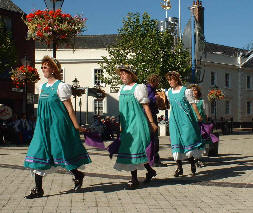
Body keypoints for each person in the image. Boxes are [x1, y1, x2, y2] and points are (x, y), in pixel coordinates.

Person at [24, 56, 91, 199]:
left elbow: (70, 109)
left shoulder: (61, 86)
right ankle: (38, 189)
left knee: (60, 152)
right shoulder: (42, 86)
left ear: (54, 69)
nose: (43, 70)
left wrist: (76, 126)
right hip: (43, 125)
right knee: (38, 152)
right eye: (42, 67)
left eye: (45, 67)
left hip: (58, 125)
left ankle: (78, 174)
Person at [114, 65, 158, 189]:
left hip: (138, 122)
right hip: (127, 125)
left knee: (135, 149)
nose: (122, 76)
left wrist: (152, 123)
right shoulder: (121, 89)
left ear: (131, 75)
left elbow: (146, 107)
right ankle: (150, 171)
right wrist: (122, 125)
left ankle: (134, 179)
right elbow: (121, 109)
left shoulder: (138, 88)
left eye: (124, 73)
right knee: (132, 151)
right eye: (121, 74)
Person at [165, 71, 203, 177]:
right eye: (168, 80)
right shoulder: (169, 92)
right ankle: (179, 168)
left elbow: (193, 104)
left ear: (176, 80)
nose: (170, 82)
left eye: (171, 79)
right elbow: (168, 106)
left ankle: (192, 163)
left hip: (185, 119)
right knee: (176, 142)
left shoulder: (186, 91)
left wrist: (198, 116)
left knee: (187, 141)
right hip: (174, 120)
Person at [146, 74, 165, 167]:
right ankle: (154, 159)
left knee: (152, 138)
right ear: (154, 81)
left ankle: (153, 158)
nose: (158, 83)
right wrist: (156, 98)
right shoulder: (149, 89)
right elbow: (146, 101)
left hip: (151, 114)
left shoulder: (151, 89)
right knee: (154, 138)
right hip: (150, 115)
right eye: (157, 81)